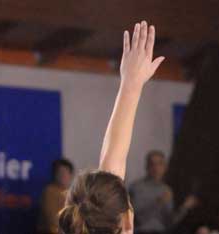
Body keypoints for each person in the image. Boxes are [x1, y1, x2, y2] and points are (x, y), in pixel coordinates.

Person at [57, 20, 166, 234]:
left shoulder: (107, 215)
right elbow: (111, 166)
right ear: (127, 223)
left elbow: (111, 168)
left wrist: (131, 84)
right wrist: (131, 83)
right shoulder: (104, 214)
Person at [129, 150, 198, 234]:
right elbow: (136, 219)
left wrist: (184, 207)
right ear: (147, 166)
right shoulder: (137, 187)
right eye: (152, 164)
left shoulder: (166, 190)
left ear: (165, 167)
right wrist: (159, 202)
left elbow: (169, 222)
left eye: (160, 164)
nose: (156, 168)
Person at [37, 159, 74, 234]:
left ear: (71, 175)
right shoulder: (50, 191)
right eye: (59, 173)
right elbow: (51, 219)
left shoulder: (73, 193)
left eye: (64, 173)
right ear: (54, 175)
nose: (62, 176)